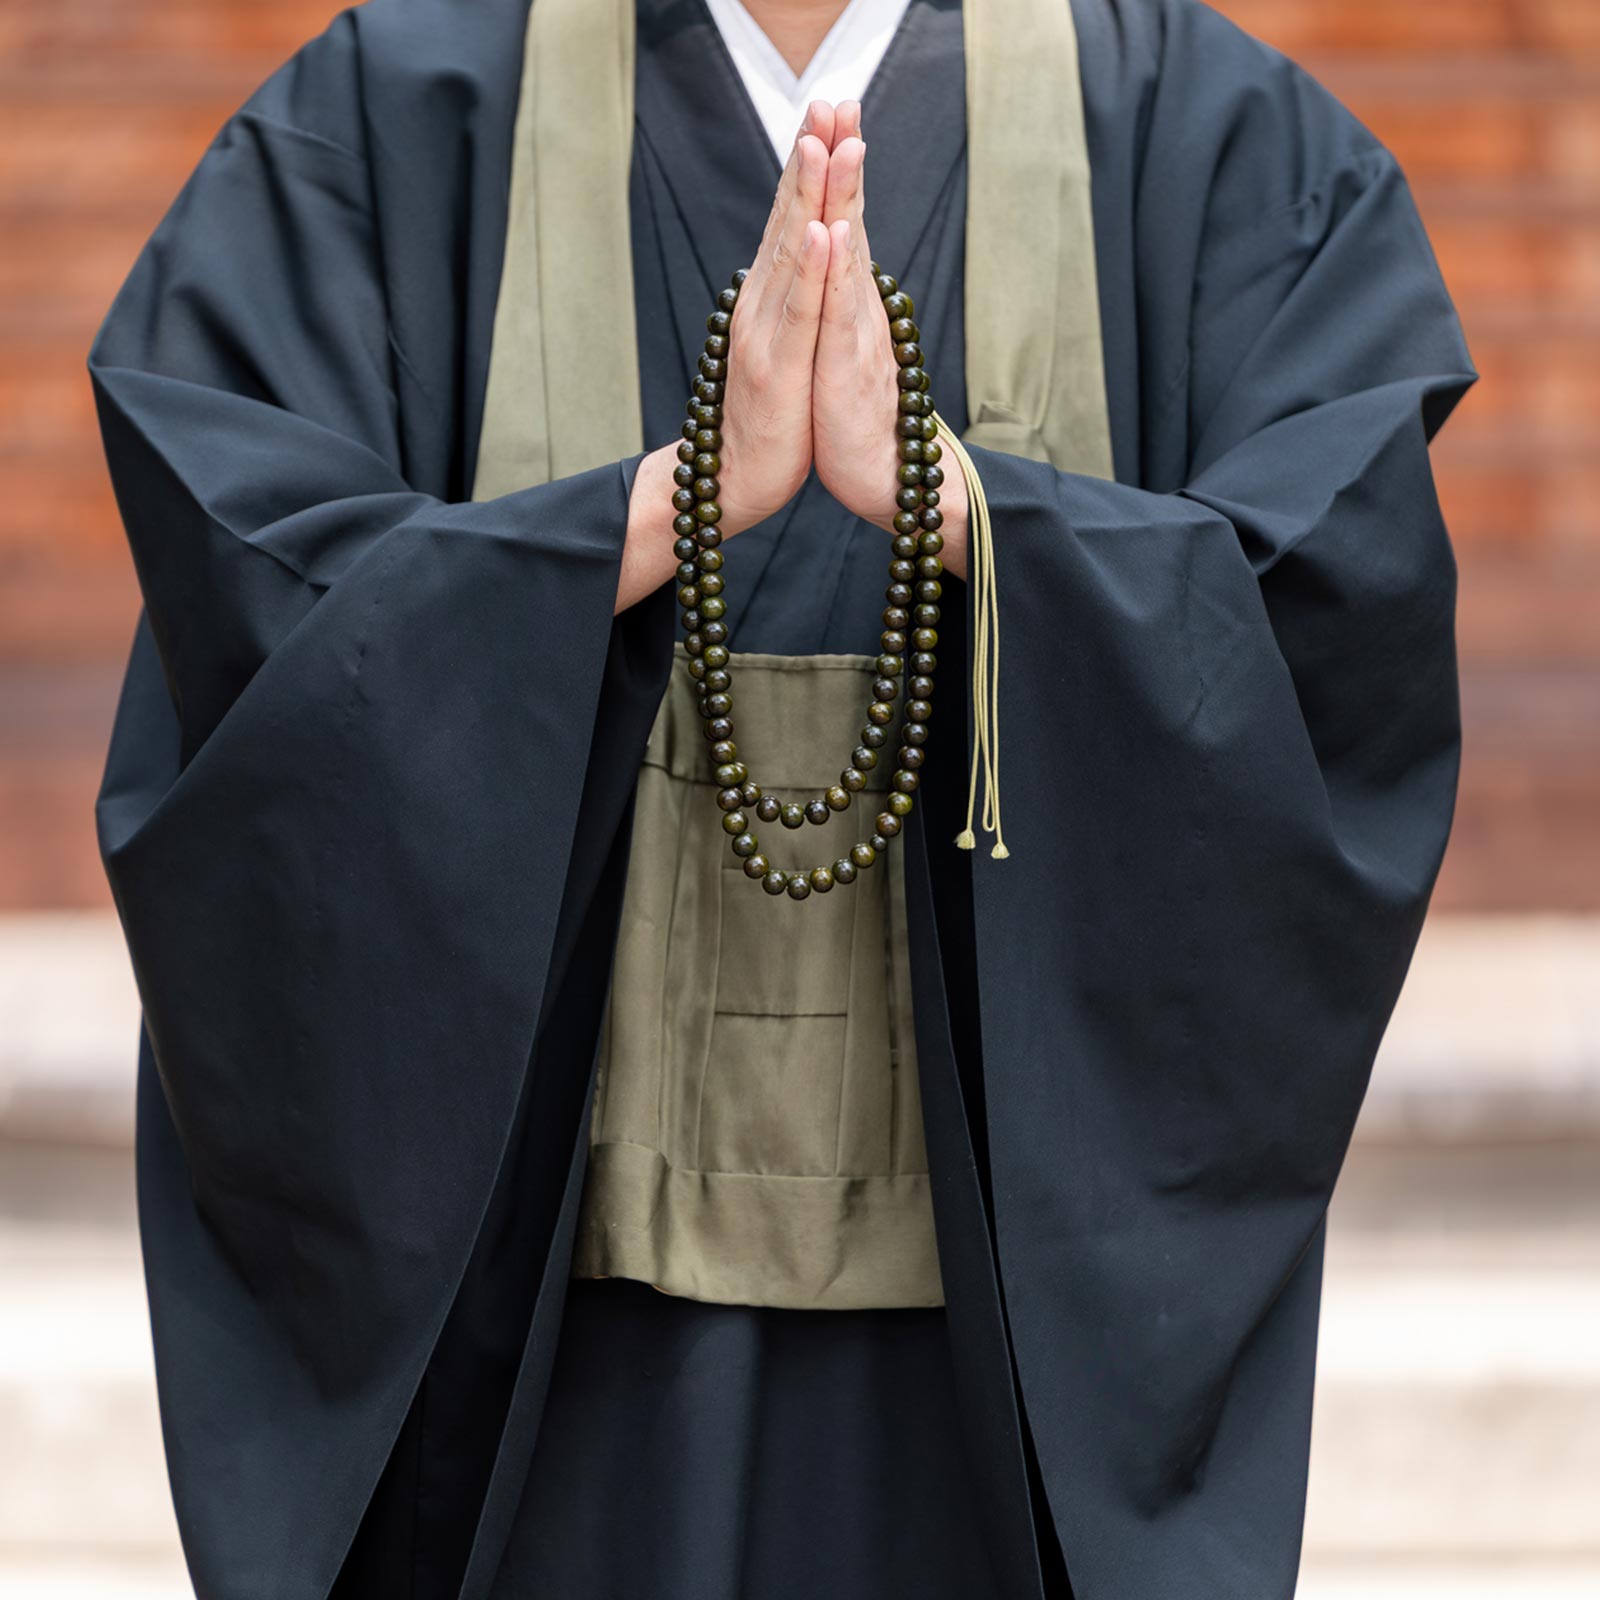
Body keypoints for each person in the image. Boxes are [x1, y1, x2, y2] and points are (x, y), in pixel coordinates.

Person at [88, 0, 1475, 1596]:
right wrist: (659, 512)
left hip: (1001, 1369)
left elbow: (1331, 626)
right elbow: (252, 622)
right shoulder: (385, 122)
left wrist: (962, 512)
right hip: (558, 1372)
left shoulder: (1218, 146)